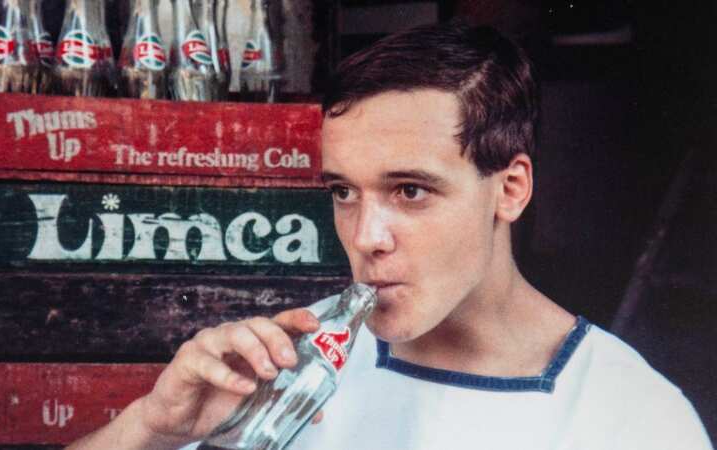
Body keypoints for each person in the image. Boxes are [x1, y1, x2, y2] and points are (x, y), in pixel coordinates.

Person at [67, 20, 713, 450]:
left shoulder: (635, 419)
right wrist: (152, 426)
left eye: (410, 191)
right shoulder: (295, 362)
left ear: (511, 189)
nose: (367, 236)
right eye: (343, 191)